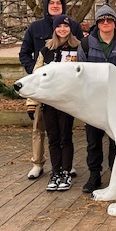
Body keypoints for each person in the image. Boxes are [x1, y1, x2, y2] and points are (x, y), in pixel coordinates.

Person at [19, 0, 84, 179]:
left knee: (65, 131)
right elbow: (25, 54)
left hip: (65, 92)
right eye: (51, 3)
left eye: (59, 3)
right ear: (47, 6)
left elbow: (82, 58)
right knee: (40, 128)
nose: (55, 6)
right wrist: (38, 75)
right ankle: (37, 163)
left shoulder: (75, 29)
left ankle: (66, 166)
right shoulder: (35, 28)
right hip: (42, 90)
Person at [77, 4, 116, 194]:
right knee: (93, 140)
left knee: (115, 140)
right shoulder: (86, 44)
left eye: (109, 20)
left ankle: (115, 175)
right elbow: (80, 73)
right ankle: (94, 175)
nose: (105, 23)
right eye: (102, 20)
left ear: (114, 23)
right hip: (94, 101)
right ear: (97, 23)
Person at [32, 15, 80, 191]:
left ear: (70, 28)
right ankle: (56, 171)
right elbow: (36, 73)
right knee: (53, 138)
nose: (62, 29)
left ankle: (66, 171)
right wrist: (33, 100)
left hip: (67, 99)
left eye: (65, 26)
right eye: (58, 26)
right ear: (54, 29)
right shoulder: (46, 50)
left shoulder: (77, 48)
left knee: (65, 136)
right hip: (49, 100)